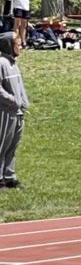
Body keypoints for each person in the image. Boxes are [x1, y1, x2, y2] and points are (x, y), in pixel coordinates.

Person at [0, 32, 28, 188]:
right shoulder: (1, 63)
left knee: (12, 145)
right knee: (2, 145)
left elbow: (20, 86)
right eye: (18, 44)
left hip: (17, 111)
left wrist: (23, 102)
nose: (21, 47)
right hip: (5, 111)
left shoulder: (13, 63)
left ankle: (9, 176)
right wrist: (12, 100)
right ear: (8, 46)